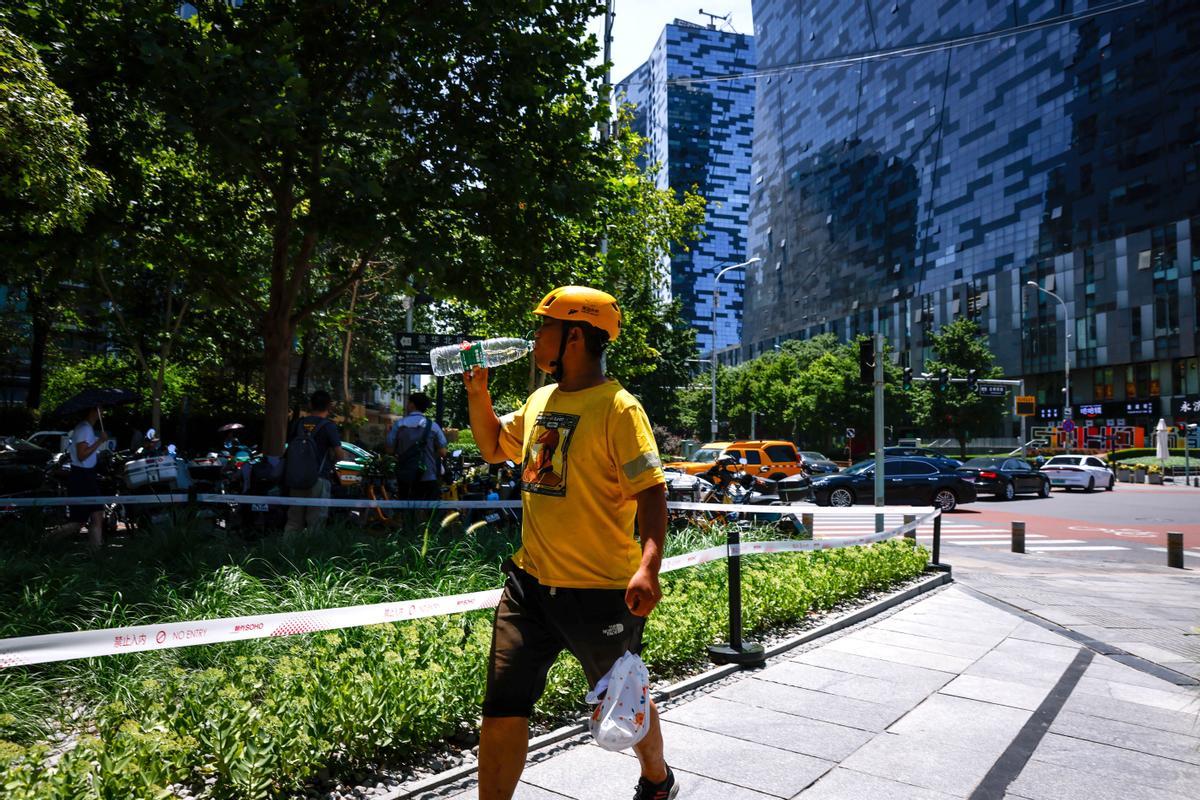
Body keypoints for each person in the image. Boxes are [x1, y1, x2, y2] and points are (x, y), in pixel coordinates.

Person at [463, 286, 674, 800]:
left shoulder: (619, 409)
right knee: (503, 705)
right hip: (529, 584)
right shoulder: (540, 400)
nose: (536, 337)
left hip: (600, 589)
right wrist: (477, 393)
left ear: (574, 336)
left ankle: (656, 777)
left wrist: (648, 566)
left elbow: (651, 494)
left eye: (544, 326)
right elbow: (493, 447)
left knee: (620, 700)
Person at [284, 390, 346, 533]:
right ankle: (312, 553)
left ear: (310, 405)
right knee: (316, 522)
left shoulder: (299, 424)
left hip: (296, 478)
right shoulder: (329, 426)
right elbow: (340, 454)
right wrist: (331, 461)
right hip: (318, 478)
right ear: (329, 406)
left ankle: (287, 552)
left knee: (293, 521)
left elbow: (288, 448)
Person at [59, 406, 109, 551]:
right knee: (78, 522)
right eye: (99, 409)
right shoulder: (84, 429)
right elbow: (82, 455)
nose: (102, 412)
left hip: (88, 475)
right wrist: (100, 441)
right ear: (92, 411)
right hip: (82, 476)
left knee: (97, 514)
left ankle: (96, 553)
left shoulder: (86, 428)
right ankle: (46, 541)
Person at [385, 391, 448, 500]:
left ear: (412, 405)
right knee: (429, 511)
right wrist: (430, 455)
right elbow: (443, 452)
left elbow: (389, 450)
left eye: (408, 402)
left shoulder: (399, 425)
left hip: (405, 477)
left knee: (406, 510)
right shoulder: (433, 426)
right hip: (428, 476)